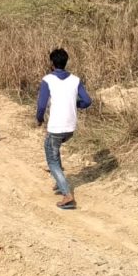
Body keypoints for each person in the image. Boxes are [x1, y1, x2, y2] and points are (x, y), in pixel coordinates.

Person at [35, 48, 92, 210]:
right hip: (70, 127)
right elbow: (87, 101)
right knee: (53, 149)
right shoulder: (75, 79)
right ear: (65, 62)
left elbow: (41, 105)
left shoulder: (48, 80)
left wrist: (39, 119)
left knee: (51, 159)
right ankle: (60, 183)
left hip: (56, 127)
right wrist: (74, 104)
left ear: (52, 64)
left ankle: (67, 195)